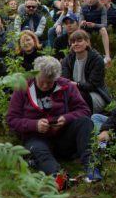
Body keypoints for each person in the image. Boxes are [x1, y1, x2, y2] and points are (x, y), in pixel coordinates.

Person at [6, 55, 94, 186]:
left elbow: (84, 110)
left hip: (63, 136)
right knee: (39, 151)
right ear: (35, 74)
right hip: (36, 138)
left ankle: (92, 168)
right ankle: (59, 177)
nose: (46, 85)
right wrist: (34, 125)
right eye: (42, 81)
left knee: (85, 122)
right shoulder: (22, 88)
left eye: (50, 82)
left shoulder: (67, 86)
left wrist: (66, 118)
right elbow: (12, 119)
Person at [61, 30, 111, 117]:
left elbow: (92, 85)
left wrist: (76, 85)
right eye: (73, 42)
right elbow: (65, 80)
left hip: (95, 94)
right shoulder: (67, 60)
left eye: (79, 41)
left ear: (87, 42)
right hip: (74, 92)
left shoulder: (97, 59)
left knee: (77, 97)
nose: (76, 44)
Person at [79, 0, 113, 64]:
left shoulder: (102, 8)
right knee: (83, 33)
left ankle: (107, 55)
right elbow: (80, 21)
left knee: (103, 30)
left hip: (97, 27)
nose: (89, 0)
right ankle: (90, 56)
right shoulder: (83, 7)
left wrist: (94, 25)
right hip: (86, 28)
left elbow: (104, 24)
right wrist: (82, 22)